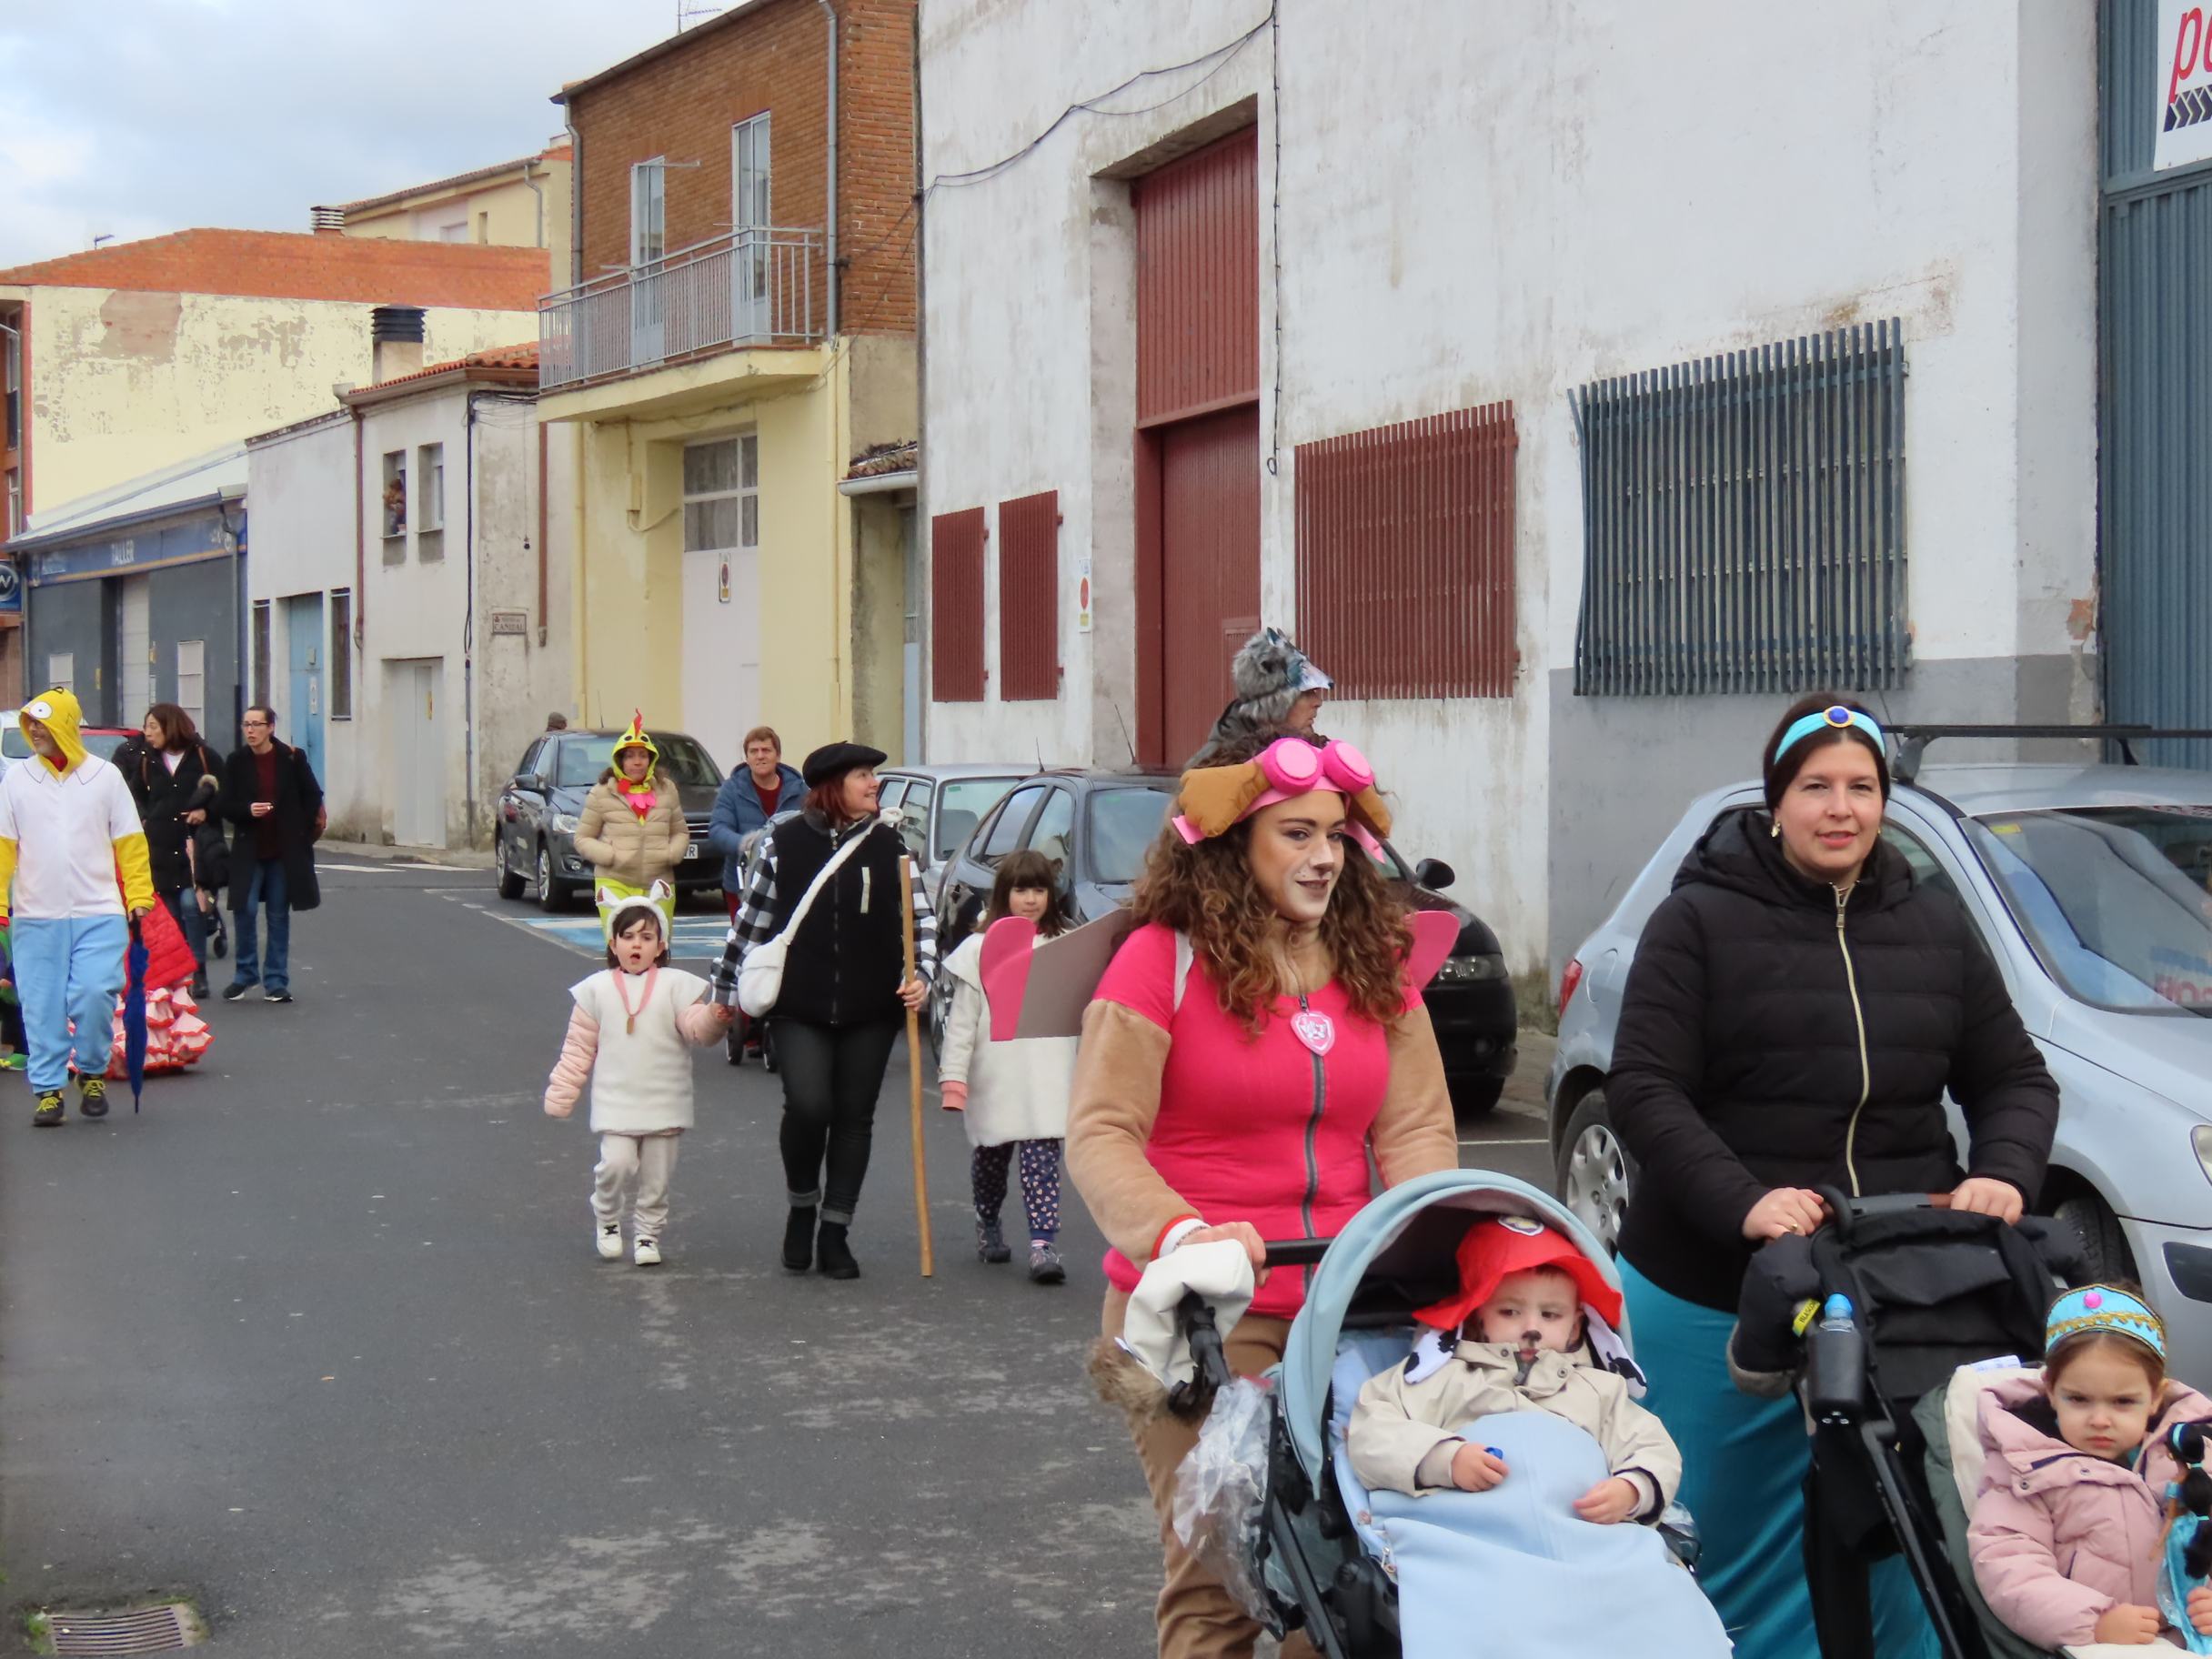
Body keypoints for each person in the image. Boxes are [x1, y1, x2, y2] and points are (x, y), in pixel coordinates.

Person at [1604, 692, 2061, 1659]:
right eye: (1815, 787)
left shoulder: (1932, 924)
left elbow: (2013, 1076)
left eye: (1861, 787)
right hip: (1712, 1286)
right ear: (1775, 802)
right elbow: (1644, 1089)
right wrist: (1742, 1201)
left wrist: (2004, 1173)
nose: (1839, 808)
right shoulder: (1696, 922)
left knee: (1901, 1525)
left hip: (1896, 1282)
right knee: (1714, 1535)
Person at [1064, 728, 1457, 1659]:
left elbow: (1412, 1132)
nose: (1323, 856)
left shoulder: (1376, 962)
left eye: (1333, 835)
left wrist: (1432, 1244)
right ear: (1233, 844)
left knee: (1345, 1583)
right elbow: (1100, 1135)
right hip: (1204, 1309)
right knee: (1221, 1586)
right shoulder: (1158, 961)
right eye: (1294, 834)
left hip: (1350, 1309)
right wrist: (1182, 1233)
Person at [708, 741, 932, 1282]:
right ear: (834, 787)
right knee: (808, 1105)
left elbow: (920, 922)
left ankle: (835, 1229)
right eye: (863, 776)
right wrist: (722, 994)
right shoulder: (782, 844)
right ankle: (802, 1206)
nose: (874, 785)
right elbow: (752, 923)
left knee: (854, 1118)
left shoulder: (893, 846)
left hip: (872, 1008)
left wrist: (922, 975)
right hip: (800, 1004)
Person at [1347, 1217, 1679, 1518]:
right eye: (1509, 1312)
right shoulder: (1442, 1377)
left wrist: (1633, 1489)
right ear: (1477, 1316)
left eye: (1550, 1315)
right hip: (1473, 1532)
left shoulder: (1599, 1389)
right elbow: (1371, 1431)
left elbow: (1652, 1446)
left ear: (1576, 1327)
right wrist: (1444, 1460)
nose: (1530, 1329)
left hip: (1580, 1536)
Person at [1967, 1283, 2212, 1650]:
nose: (2100, 1419)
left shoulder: (2191, 1454)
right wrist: (2092, 1620)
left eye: (2123, 1402)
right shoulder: (2026, 1468)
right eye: (2079, 1399)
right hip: (2094, 1645)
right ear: (2050, 1389)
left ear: (2155, 1397)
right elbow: (2008, 1565)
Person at [543, 885, 731, 1267]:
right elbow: (578, 1048)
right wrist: (562, 1092)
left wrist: (714, 1018)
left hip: (665, 1100)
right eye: (627, 937)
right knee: (615, 1164)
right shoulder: (595, 991)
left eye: (646, 937)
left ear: (661, 945)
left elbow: (695, 1029)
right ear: (613, 944)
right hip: (617, 1101)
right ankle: (607, 1216)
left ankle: (647, 1233)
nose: (636, 945)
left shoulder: (676, 986)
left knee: (656, 1178)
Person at [0, 689, 156, 1125]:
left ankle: (90, 1068)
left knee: (94, 995)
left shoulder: (105, 778)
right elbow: (2, 848)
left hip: (98, 912)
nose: (33, 730)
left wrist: (138, 896)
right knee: (40, 1005)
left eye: (42, 723)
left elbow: (130, 841)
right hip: (35, 916)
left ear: (66, 725)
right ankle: (49, 1089)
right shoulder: (17, 781)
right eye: (30, 722)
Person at [937, 848, 1079, 1284]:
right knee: (991, 1162)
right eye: (1021, 890)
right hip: (996, 1077)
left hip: (1046, 1077)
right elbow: (962, 1021)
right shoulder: (980, 949)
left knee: (1042, 1160)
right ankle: (988, 1219)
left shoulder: (1065, 945)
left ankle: (1042, 1243)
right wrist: (954, 1080)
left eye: (1039, 889)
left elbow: (1084, 1010)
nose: (1031, 899)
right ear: (1005, 895)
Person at [219, 706, 324, 1004]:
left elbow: (312, 794)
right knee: (245, 909)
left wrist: (298, 829)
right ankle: (245, 974)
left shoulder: (291, 758)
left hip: (282, 851)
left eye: (256, 725)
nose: (250, 730)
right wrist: (247, 810)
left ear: (270, 728)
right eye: (246, 724)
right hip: (249, 849)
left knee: (278, 914)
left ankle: (276, 980)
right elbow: (224, 804)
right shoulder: (236, 761)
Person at [120, 703, 224, 998]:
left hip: (195, 847)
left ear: (171, 726)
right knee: (171, 914)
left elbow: (225, 793)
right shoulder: (146, 760)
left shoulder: (203, 756)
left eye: (154, 726)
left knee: (194, 906)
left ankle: (199, 969)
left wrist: (206, 809)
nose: (148, 733)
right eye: (147, 726)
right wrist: (142, 817)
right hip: (160, 846)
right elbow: (134, 793)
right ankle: (179, 976)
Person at [571, 711, 688, 939]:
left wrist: (671, 853)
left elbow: (680, 831)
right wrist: (610, 855)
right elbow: (582, 838)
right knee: (620, 947)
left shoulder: (667, 789)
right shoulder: (601, 793)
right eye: (630, 756)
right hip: (615, 881)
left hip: (659, 881)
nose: (637, 762)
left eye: (642, 755)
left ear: (651, 759)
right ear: (620, 760)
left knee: (657, 947)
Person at [1190, 627, 1332, 765]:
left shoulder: (1313, 751)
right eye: (1305, 692)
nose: (1318, 701)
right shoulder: (1216, 768)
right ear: (1272, 706)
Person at [707, 725, 804, 921]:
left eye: (766, 750)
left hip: (788, 882)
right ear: (747, 758)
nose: (760, 756)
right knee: (746, 945)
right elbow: (717, 829)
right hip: (742, 883)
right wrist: (745, 843)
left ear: (778, 755)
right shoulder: (731, 789)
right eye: (754, 751)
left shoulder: (800, 790)